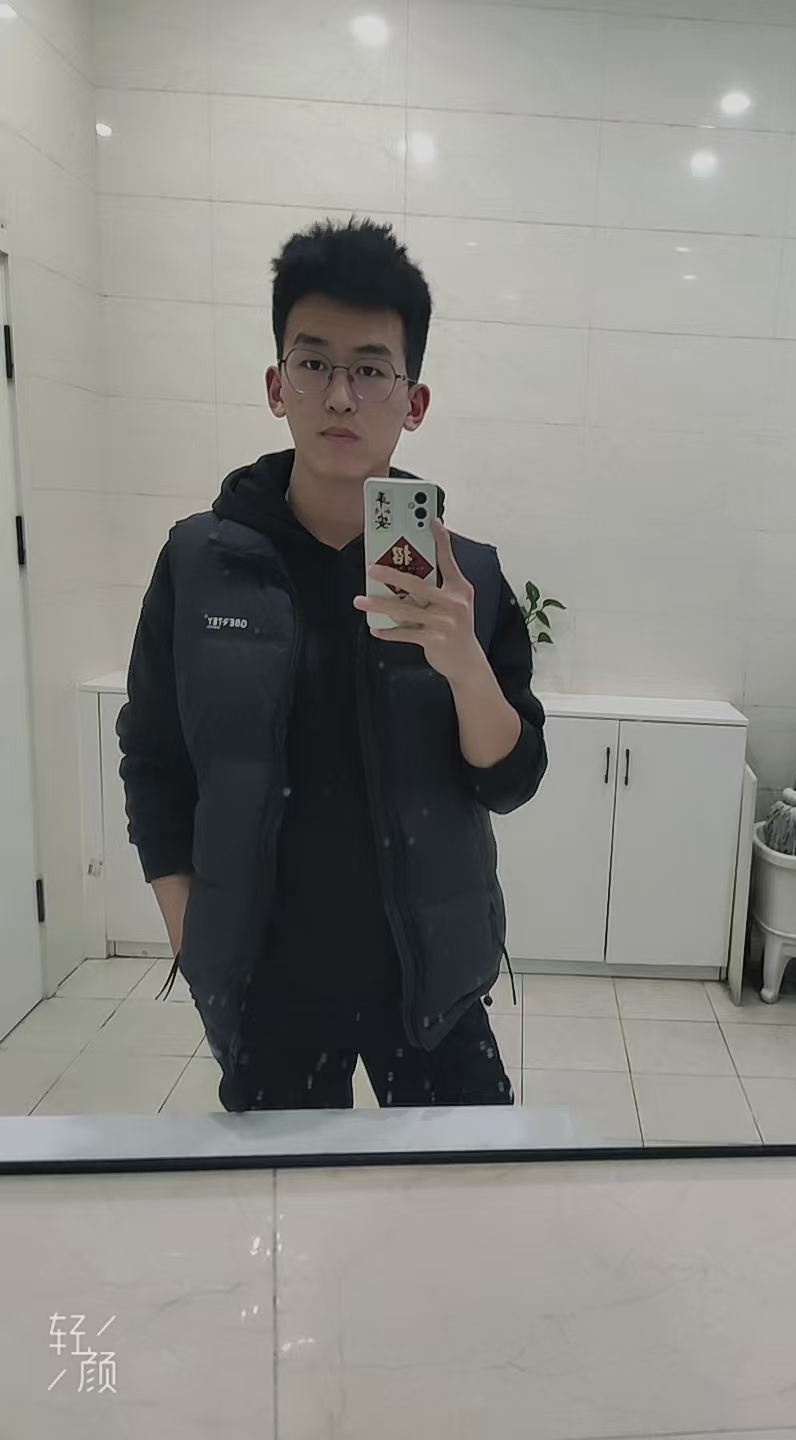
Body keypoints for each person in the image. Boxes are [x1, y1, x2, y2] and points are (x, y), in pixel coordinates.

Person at [117, 218, 546, 1112]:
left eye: (371, 369)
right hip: (268, 990)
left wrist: (465, 665)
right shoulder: (199, 563)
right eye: (313, 363)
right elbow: (154, 759)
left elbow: (509, 781)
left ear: (413, 401)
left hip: (430, 983)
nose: (341, 396)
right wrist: (189, 929)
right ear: (277, 385)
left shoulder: (469, 578)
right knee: (283, 1204)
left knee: (463, 1190)